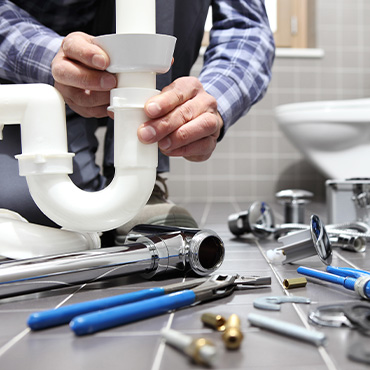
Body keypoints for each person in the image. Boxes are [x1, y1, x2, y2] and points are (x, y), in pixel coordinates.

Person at [0, 0, 275, 241]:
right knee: (26, 205)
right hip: (23, 80)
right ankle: (99, 186)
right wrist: (50, 58)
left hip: (138, 90)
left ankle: (140, 182)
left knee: (65, 215)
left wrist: (208, 102)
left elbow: (248, 27)